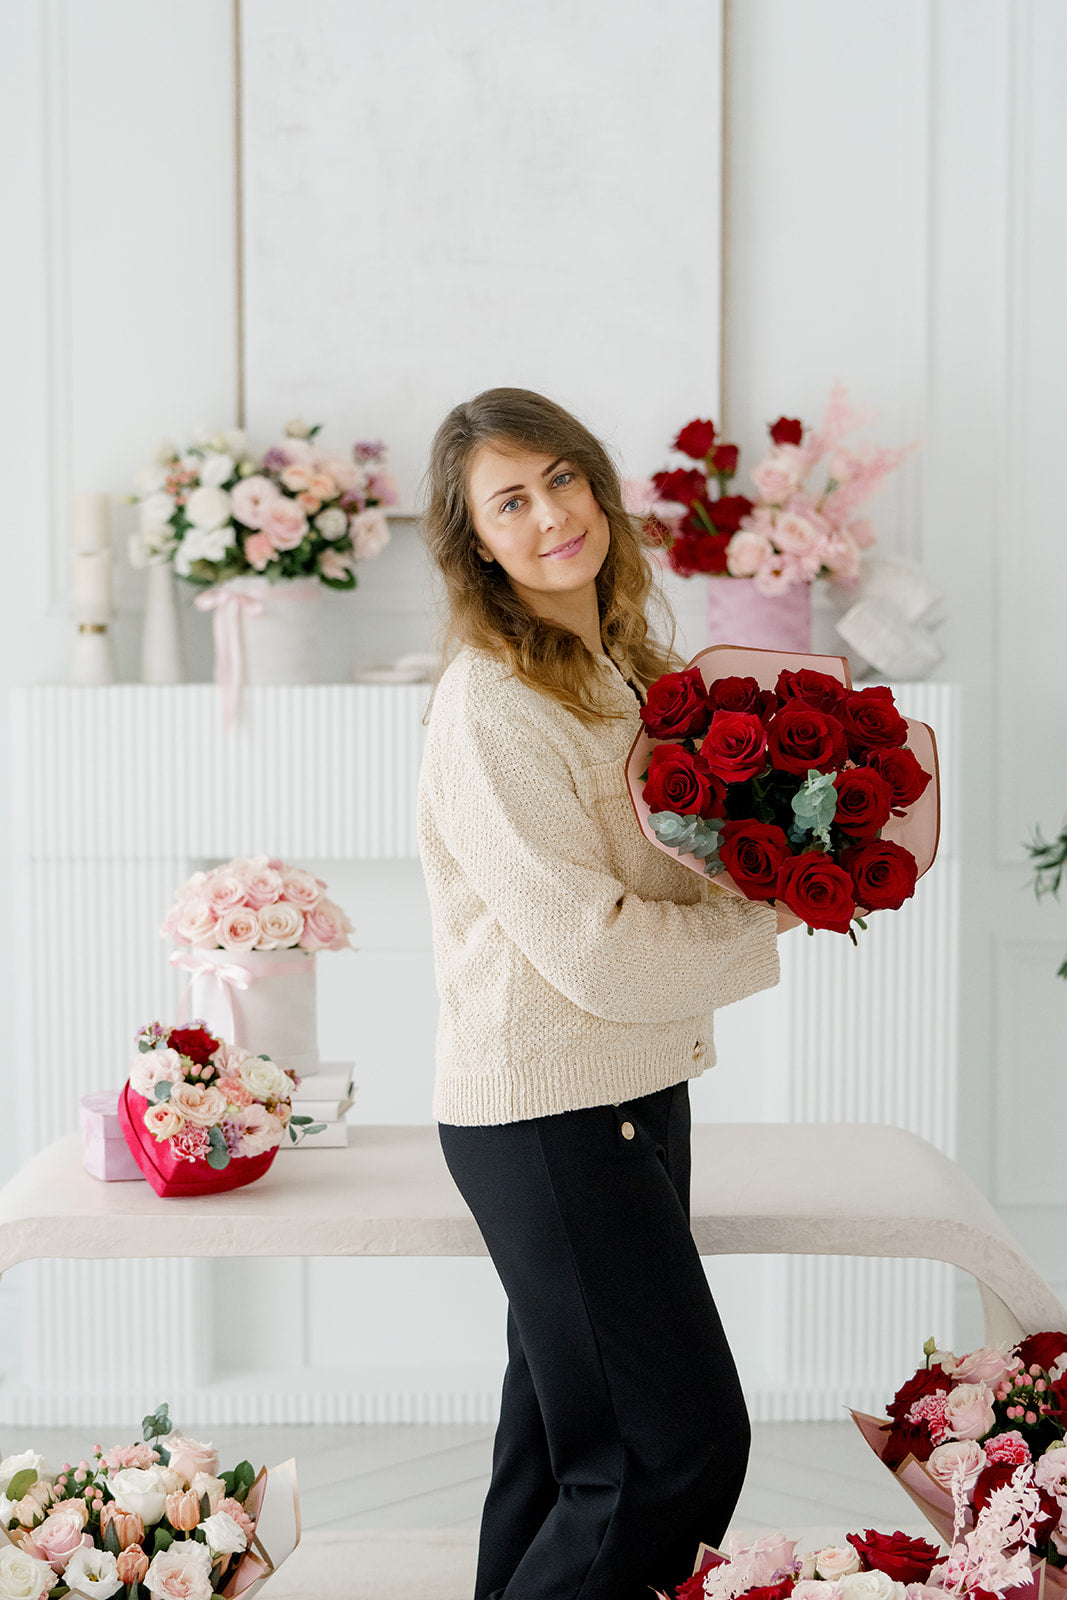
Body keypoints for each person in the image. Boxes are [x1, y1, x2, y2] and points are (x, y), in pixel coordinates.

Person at [416, 387, 800, 1600]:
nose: (547, 517)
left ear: (596, 483)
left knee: (555, 1459)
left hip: (629, 1088)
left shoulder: (621, 665)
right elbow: (592, 949)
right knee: (669, 1448)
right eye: (509, 501)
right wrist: (775, 911)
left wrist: (809, 837)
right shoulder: (493, 705)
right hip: (548, 1117)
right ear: (477, 540)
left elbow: (681, 854)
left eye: (560, 479)